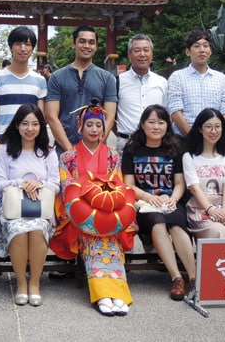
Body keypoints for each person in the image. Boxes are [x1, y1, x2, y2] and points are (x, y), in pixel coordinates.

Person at [50, 99, 136, 316]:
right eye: (89, 125)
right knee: (92, 237)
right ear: (81, 126)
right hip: (79, 215)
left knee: (110, 237)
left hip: (109, 210)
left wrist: (106, 209)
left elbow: (118, 186)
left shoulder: (113, 156)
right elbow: (67, 190)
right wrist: (88, 210)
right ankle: (103, 294)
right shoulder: (68, 157)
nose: (94, 129)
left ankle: (118, 293)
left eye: (99, 125)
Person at [121, 104, 196, 301]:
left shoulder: (176, 148)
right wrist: (148, 197)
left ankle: (194, 278)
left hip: (170, 201)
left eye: (161, 122)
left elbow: (179, 183)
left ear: (167, 125)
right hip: (144, 205)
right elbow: (128, 185)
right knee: (158, 222)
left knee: (176, 224)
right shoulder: (132, 149)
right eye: (151, 122)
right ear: (142, 124)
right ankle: (176, 278)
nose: (156, 127)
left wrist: (173, 199)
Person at [0, 104, 60, 306]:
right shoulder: (5, 150)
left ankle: (35, 284)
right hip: (11, 206)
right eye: (25, 124)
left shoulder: (48, 152)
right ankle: (21, 283)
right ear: (17, 125)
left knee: (38, 228)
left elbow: (56, 184)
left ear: (41, 126)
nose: (30, 129)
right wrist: (21, 183)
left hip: (40, 206)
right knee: (18, 228)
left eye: (35, 124)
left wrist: (39, 184)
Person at [45, 25, 118, 154]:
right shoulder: (56, 77)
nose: (87, 46)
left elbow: (110, 117)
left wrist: (94, 149)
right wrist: (71, 151)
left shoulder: (108, 78)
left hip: (96, 152)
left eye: (91, 42)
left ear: (96, 46)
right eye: (82, 41)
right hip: (64, 152)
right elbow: (51, 116)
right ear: (73, 44)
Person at [182, 108, 225, 239]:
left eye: (217, 126)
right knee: (217, 231)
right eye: (208, 126)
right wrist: (210, 210)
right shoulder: (189, 157)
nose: (213, 131)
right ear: (200, 129)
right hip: (200, 207)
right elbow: (194, 188)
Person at [167, 29, 225, 138]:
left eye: (205, 46)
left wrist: (212, 135)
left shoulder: (221, 79)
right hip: (184, 140)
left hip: (213, 139)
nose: (202, 50)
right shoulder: (177, 77)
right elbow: (175, 111)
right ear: (188, 52)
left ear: (210, 51)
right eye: (196, 46)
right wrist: (192, 139)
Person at [0, 26, 47, 140]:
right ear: (11, 47)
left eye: (27, 44)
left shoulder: (40, 80)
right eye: (18, 44)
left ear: (32, 49)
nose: (23, 49)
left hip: (29, 141)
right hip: (2, 140)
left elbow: (41, 115)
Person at [115, 34, 167, 153]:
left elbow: (166, 114)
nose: (142, 54)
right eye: (137, 50)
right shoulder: (118, 82)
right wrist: (122, 135)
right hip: (126, 144)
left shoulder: (162, 82)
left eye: (146, 50)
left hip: (156, 144)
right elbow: (111, 115)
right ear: (129, 55)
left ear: (152, 54)